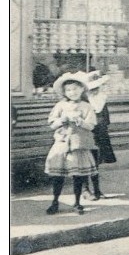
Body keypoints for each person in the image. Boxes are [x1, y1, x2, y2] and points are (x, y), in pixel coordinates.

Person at [43, 71, 98, 214]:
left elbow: (91, 125)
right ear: (64, 92)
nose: (72, 92)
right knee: (58, 175)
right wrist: (62, 120)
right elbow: (52, 123)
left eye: (75, 89)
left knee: (78, 175)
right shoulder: (60, 106)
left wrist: (80, 121)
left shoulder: (87, 106)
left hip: (78, 144)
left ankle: (77, 202)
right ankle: (55, 201)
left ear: (81, 89)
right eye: (68, 90)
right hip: (62, 143)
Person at [85, 71, 116, 200]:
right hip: (87, 133)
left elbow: (106, 119)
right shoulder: (84, 100)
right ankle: (85, 190)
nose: (95, 90)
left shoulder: (101, 99)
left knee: (95, 163)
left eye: (97, 87)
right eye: (92, 88)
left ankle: (97, 190)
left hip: (99, 134)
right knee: (85, 162)